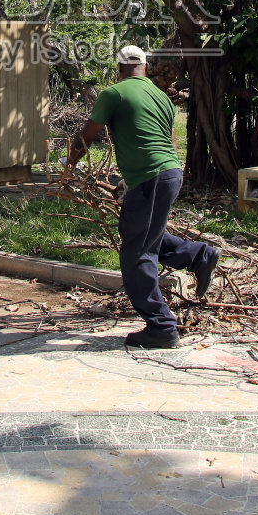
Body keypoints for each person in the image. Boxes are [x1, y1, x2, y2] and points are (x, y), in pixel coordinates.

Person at [66, 46, 218, 349]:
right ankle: (198, 255)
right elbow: (169, 143)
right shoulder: (162, 97)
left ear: (120, 68)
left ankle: (161, 326)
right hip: (170, 173)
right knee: (141, 234)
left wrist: (69, 164)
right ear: (146, 68)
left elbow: (87, 136)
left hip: (152, 177)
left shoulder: (114, 93)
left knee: (136, 253)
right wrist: (132, 180)